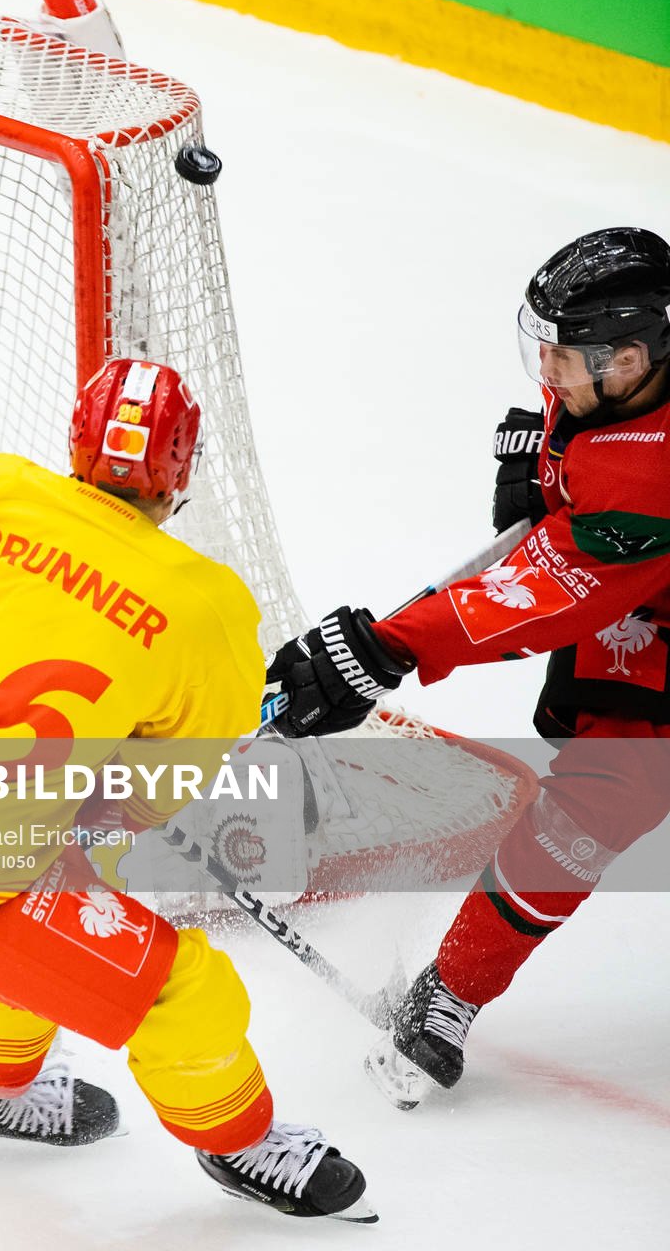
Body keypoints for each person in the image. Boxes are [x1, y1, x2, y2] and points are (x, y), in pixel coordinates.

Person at [0, 359, 376, 1221]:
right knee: (179, 986)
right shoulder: (206, 606)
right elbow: (157, 794)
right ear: (183, 469)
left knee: (19, 936)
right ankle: (240, 1141)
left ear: (75, 441)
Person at [265, 227, 670, 1107]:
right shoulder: (621, 387)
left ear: (633, 357)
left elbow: (545, 592)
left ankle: (448, 993)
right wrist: (553, 467)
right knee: (592, 806)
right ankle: (452, 990)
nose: (548, 372)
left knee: (605, 800)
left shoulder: (650, 478)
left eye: (565, 357)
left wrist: (385, 648)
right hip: (639, 599)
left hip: (633, 596)